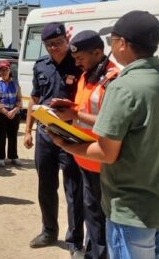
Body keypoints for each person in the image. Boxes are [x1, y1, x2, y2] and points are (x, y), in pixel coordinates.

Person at [48, 11, 159, 259]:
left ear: (122, 43)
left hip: (133, 212)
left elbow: (106, 152)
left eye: (112, 39)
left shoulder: (123, 85)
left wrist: (64, 144)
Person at [53, 30, 119, 259]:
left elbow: (113, 123)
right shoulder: (87, 75)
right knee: (92, 215)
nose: (77, 63)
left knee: (101, 219)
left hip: (102, 161)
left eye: (80, 58)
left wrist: (75, 115)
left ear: (98, 52)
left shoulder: (113, 79)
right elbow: (82, 109)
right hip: (85, 158)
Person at [23, 22, 84, 252]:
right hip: (46, 134)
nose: (53, 48)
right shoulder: (41, 66)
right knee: (46, 186)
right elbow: (34, 99)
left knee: (73, 189)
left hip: (71, 134)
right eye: (48, 45)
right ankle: (49, 231)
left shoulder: (78, 64)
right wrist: (28, 130)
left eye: (57, 43)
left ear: (66, 41)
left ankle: (75, 241)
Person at [0, 60, 22, 167]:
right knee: (1, 136)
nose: (4, 72)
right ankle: (0, 158)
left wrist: (14, 111)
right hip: (1, 114)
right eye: (1, 70)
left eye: (6, 69)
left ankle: (13, 156)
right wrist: (5, 112)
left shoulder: (16, 83)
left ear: (9, 70)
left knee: (13, 136)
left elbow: (19, 99)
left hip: (14, 114)